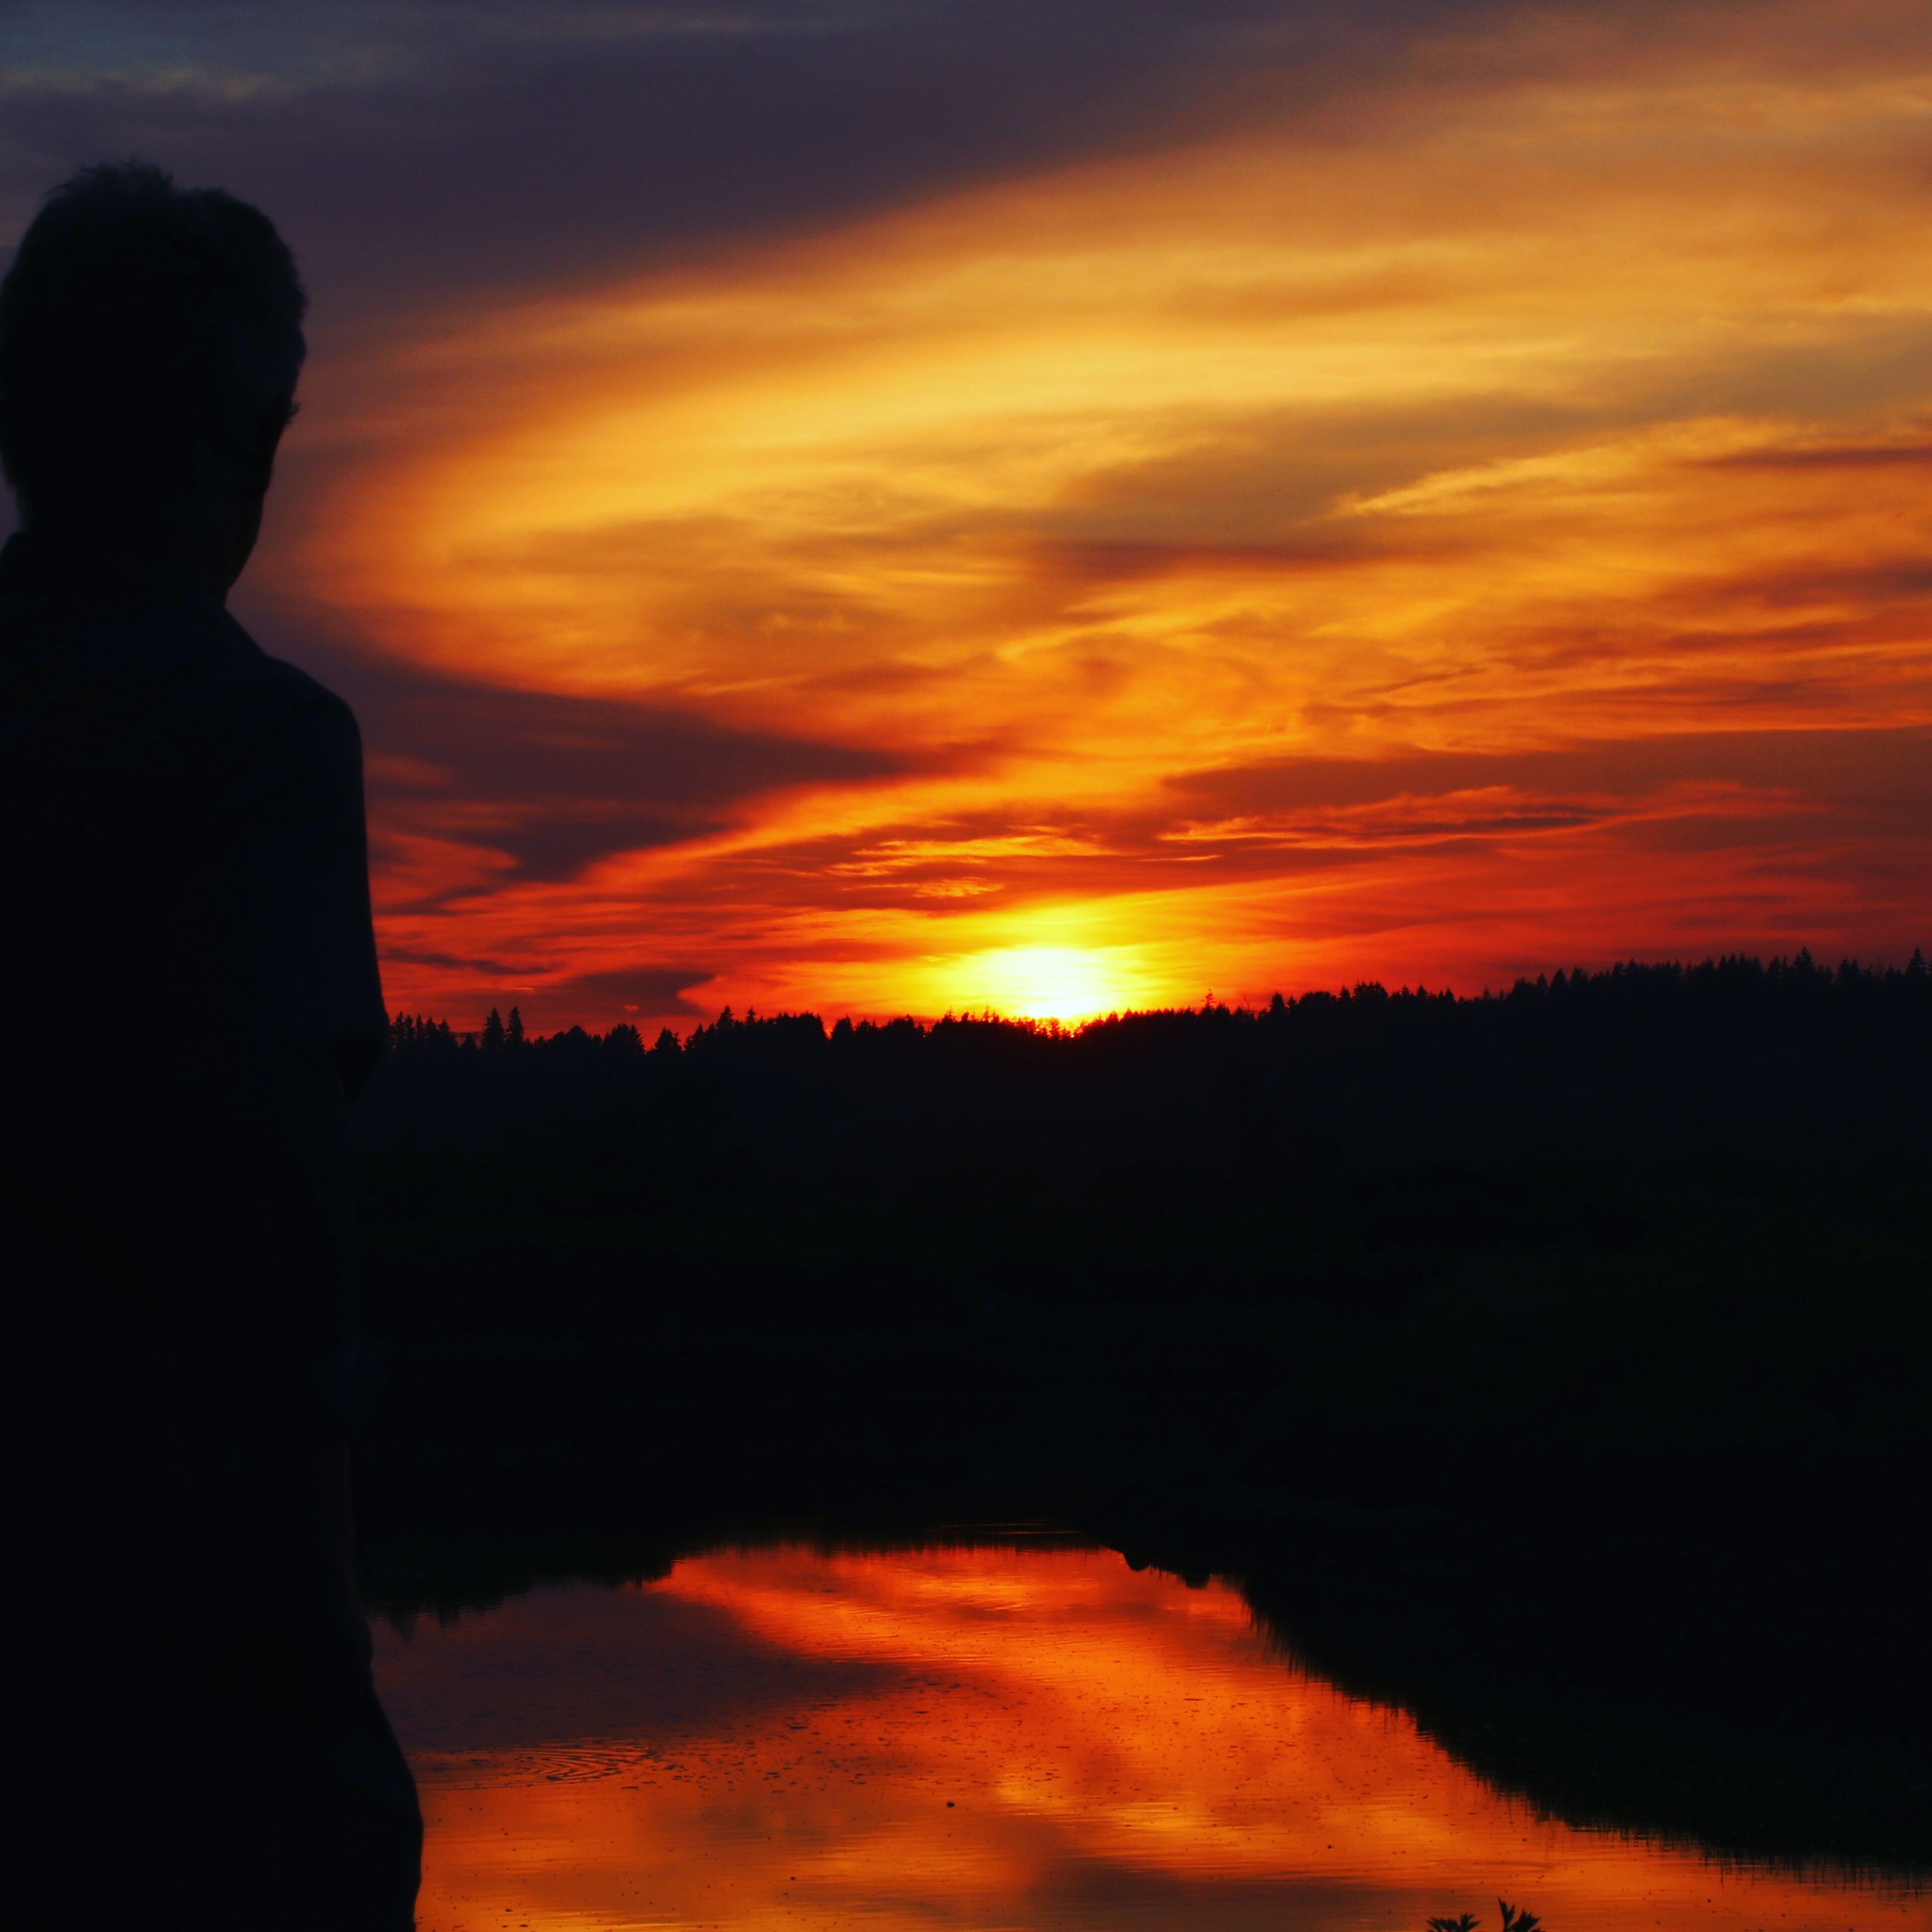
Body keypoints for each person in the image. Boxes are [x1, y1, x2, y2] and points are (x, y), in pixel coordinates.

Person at [0, 164, 420, 1927]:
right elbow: (273, 1246)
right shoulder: (251, 749)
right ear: (250, 441)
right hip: (153, 1678)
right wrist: (330, 1704)